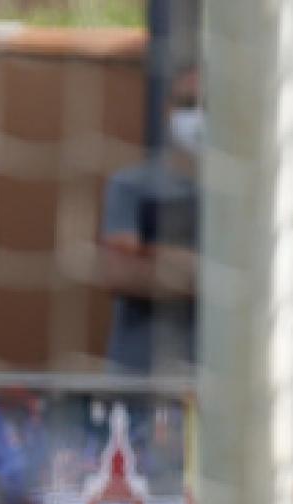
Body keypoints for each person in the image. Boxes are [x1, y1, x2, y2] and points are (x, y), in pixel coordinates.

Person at [98, 66, 200, 375]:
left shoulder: (254, 198)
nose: (198, 116)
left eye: (211, 105)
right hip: (140, 380)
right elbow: (121, 272)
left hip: (226, 382)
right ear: (168, 109)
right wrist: (225, 271)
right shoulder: (132, 185)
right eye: (187, 104)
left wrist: (152, 254)